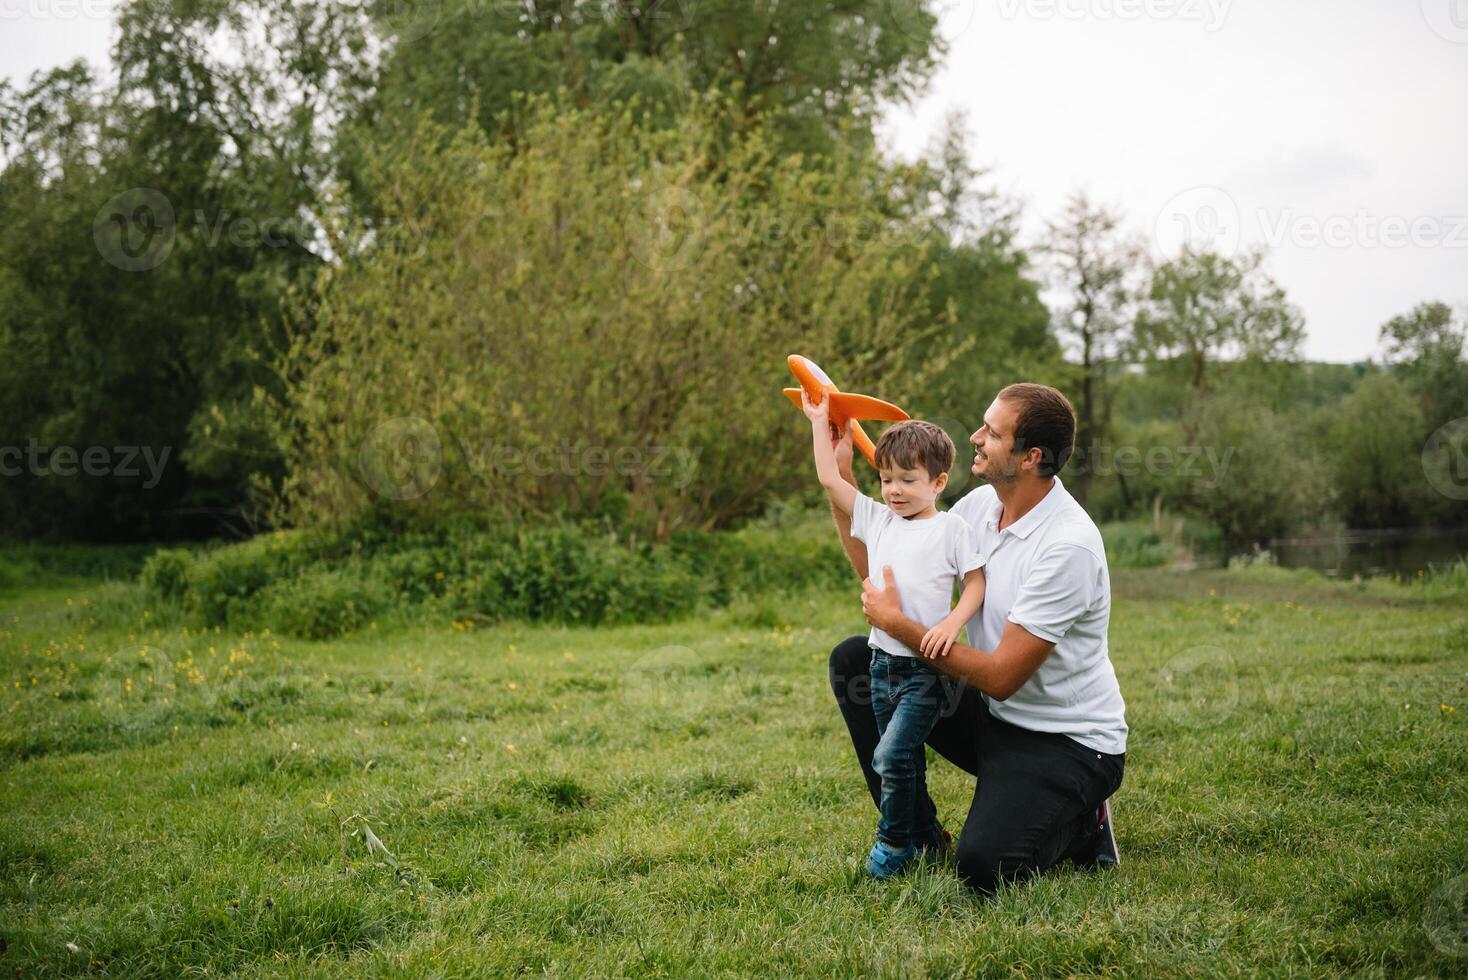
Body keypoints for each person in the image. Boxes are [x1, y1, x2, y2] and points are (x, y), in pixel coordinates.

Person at [825, 383, 1128, 895]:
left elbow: (1004, 676)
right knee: (856, 660)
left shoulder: (1067, 546)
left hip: (1067, 742)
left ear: (1030, 457)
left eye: (992, 431)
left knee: (984, 867)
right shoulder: (979, 506)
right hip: (993, 716)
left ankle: (1085, 821)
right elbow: (883, 571)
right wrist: (845, 486)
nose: (976, 437)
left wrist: (900, 627)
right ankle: (915, 834)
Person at [801, 390, 986, 879]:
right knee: (906, 763)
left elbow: (976, 583)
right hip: (881, 667)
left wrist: (952, 622)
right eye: (886, 480)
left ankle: (893, 841)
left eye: (907, 480)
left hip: (925, 670)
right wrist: (822, 424)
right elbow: (828, 478)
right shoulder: (878, 518)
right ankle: (924, 839)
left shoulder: (950, 530)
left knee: (892, 755)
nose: (894, 491)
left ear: (939, 482)